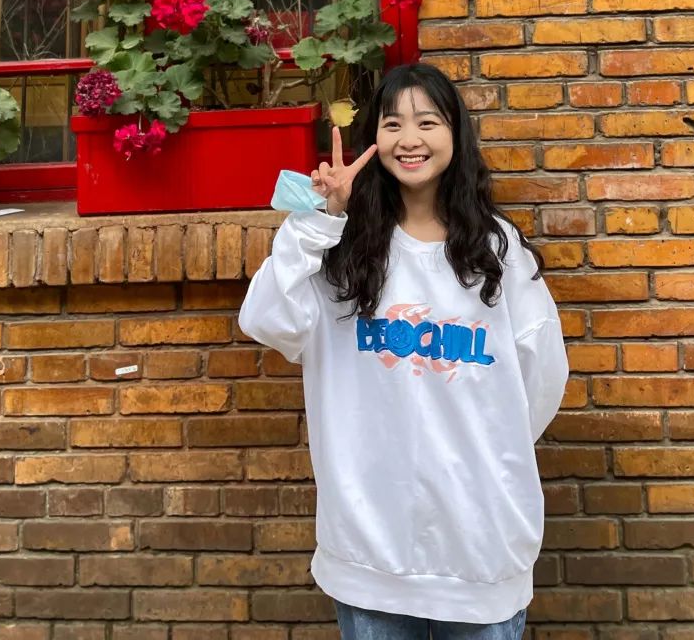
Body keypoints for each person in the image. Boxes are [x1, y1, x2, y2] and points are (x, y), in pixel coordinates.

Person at [239, 61, 570, 640]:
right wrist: (320, 219)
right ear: (373, 139)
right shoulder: (341, 250)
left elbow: (541, 380)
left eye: (427, 122)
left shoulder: (498, 251)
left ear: (455, 134)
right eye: (392, 124)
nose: (409, 139)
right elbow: (266, 319)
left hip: (479, 545)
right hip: (370, 549)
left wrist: (484, 457)